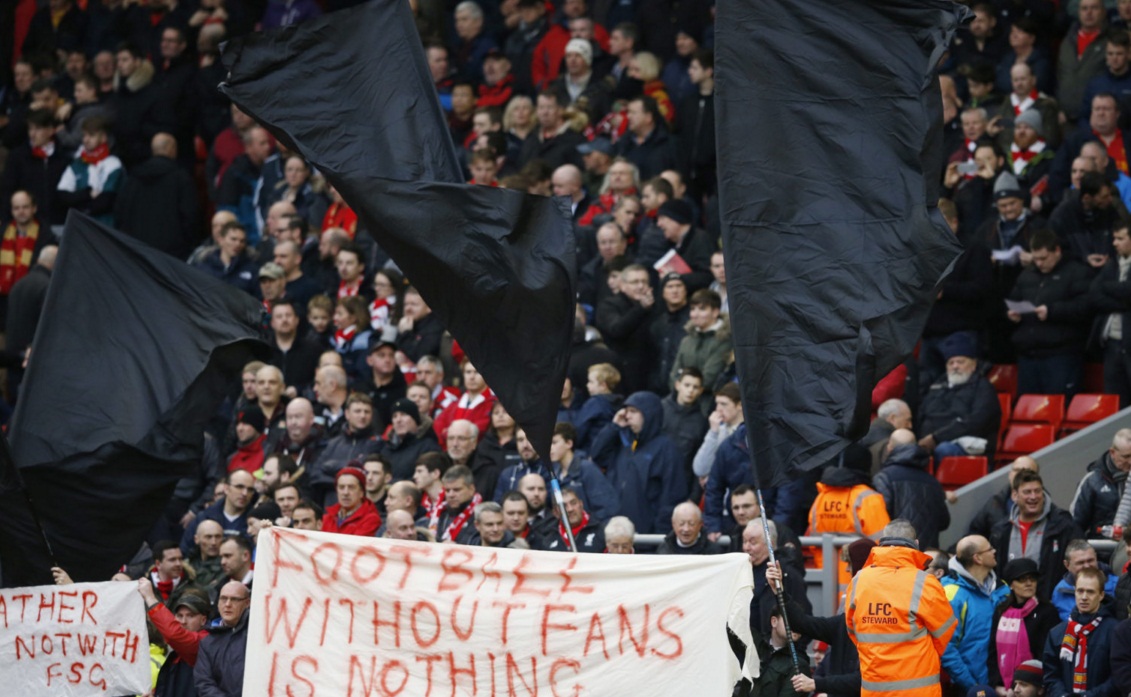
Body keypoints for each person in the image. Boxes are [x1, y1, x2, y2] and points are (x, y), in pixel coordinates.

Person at [845, 519, 956, 697]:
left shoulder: (859, 580)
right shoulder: (925, 583)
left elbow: (852, 629)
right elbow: (945, 630)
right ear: (916, 544)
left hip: (874, 690)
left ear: (881, 542)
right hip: (919, 691)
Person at [1007, 229, 1092, 398]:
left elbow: (1085, 307)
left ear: (1057, 251)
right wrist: (1012, 314)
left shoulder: (1077, 272)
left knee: (1058, 406)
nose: (1039, 263)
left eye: (1043, 258)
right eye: (1035, 258)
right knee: (1029, 411)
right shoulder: (1027, 275)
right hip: (1028, 353)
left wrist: (1052, 311)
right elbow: (1013, 298)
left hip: (1062, 354)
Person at [590, 390, 688, 534]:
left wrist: (659, 534)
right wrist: (613, 426)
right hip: (614, 532)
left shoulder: (666, 448)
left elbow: (672, 495)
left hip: (646, 536)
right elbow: (597, 456)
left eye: (633, 411)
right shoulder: (623, 440)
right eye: (626, 411)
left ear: (649, 414)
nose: (627, 416)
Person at [990, 470, 1084, 601]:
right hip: (1011, 606)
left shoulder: (1063, 526)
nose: (1033, 497)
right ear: (1014, 495)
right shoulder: (1001, 530)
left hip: (1051, 605)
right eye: (1027, 492)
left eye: (1037, 491)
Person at [806, 448, 890, 592]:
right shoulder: (868, 498)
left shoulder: (821, 497)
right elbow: (885, 546)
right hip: (859, 588)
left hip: (826, 587)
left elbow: (813, 543)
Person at [915, 331, 1002, 460]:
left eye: (960, 362)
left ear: (973, 365)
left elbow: (976, 423)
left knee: (944, 449)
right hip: (930, 441)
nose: (955, 366)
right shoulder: (937, 386)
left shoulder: (983, 388)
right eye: (951, 363)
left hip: (968, 446)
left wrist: (936, 437)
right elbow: (922, 415)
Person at [940, 535, 1009, 693]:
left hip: (1000, 686)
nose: (994, 551)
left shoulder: (1003, 589)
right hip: (968, 688)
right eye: (989, 549)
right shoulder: (952, 594)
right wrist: (973, 686)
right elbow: (947, 647)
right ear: (977, 558)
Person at [989, 558, 1062, 690]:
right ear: (1011, 584)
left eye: (1032, 579)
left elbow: (1046, 655)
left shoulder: (1047, 612)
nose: (1028, 583)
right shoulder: (1002, 611)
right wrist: (996, 685)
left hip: (1034, 687)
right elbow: (993, 652)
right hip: (1002, 687)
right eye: (1022, 579)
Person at [1042, 567, 1117, 695]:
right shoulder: (1057, 633)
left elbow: (1118, 676)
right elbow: (1051, 675)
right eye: (1080, 591)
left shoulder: (1115, 632)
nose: (1084, 597)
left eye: (1090, 592)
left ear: (1101, 595)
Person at [873, 434, 951, 549]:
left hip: (895, 554)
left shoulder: (884, 478)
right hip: (927, 558)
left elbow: (878, 519)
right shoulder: (933, 482)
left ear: (890, 448)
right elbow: (944, 522)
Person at [137, 580, 210, 697]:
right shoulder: (175, 654)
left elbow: (174, 634)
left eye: (190, 616)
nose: (183, 622)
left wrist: (150, 598)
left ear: (203, 620)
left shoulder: (206, 642)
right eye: (179, 616)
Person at [744, 518, 809, 646]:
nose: (747, 547)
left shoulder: (787, 573)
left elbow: (804, 618)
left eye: (753, 542)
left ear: (771, 543)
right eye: (744, 541)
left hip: (778, 655)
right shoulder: (742, 571)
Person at [1091, 224, 1131, 407]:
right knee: (1114, 401)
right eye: (1114, 238)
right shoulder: (1113, 263)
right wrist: (1123, 303)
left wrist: (1108, 288)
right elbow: (1094, 294)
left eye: (1120, 238)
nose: (1114, 243)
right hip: (1112, 342)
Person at [1072, 429, 1131, 538]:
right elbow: (1075, 525)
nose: (1130, 461)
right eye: (1126, 456)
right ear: (1113, 453)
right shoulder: (1092, 481)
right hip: (1100, 550)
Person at [194, 580, 250, 696]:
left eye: (234, 599)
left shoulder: (257, 635)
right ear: (218, 603)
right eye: (223, 599)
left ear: (247, 603)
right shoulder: (207, 643)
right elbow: (204, 684)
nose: (228, 604)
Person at [1050, 539, 1121, 622]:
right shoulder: (1060, 591)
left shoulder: (1117, 584)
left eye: (1090, 560)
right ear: (1067, 565)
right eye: (1080, 563)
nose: (1087, 566)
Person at [321, 466, 382, 536]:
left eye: (351, 487)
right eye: (341, 487)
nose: (346, 492)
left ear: (361, 492)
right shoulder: (326, 518)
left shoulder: (371, 520)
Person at [428, 465, 482, 543]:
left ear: (471, 489)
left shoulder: (482, 516)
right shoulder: (438, 514)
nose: (451, 495)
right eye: (447, 490)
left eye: (457, 490)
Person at [542, 487, 606, 553]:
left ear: (581, 505)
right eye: (563, 506)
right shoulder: (547, 540)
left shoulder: (602, 532)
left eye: (573, 503)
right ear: (555, 513)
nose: (570, 509)